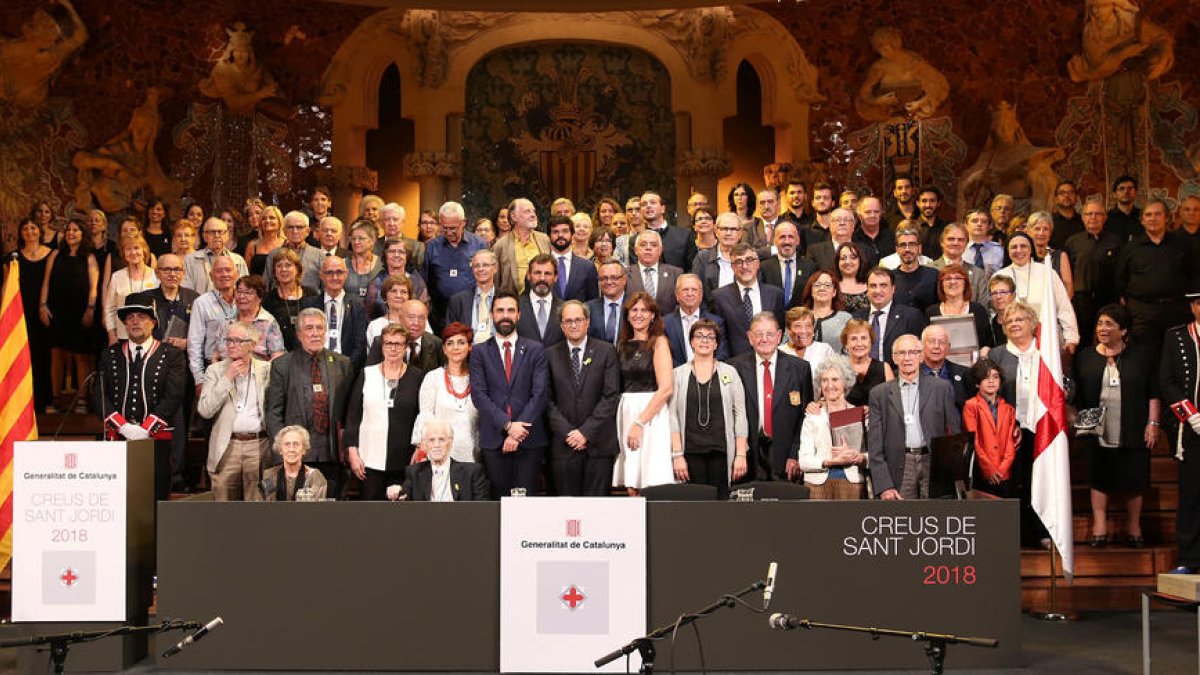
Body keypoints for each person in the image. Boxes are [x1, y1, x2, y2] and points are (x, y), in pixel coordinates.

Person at [1073, 304, 1160, 548]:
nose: (1103, 328)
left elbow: (1153, 392)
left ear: (1123, 330)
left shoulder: (1141, 356)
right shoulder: (1086, 356)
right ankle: (1099, 526)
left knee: (1134, 474)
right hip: (1096, 428)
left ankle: (1133, 525)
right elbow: (1076, 394)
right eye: (1100, 323)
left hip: (1132, 423)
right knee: (1097, 474)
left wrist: (1153, 423)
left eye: (1109, 324)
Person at [98, 300, 186, 501]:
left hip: (158, 440)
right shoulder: (110, 354)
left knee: (156, 497)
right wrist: (123, 427)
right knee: (117, 499)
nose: (135, 322)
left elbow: (174, 394)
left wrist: (146, 429)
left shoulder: (171, 355)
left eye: (141, 317)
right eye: (130, 318)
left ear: (153, 322)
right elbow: (99, 394)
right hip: (118, 438)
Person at [265, 308, 355, 498]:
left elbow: (351, 412)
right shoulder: (282, 365)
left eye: (319, 328)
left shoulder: (342, 364)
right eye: (308, 328)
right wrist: (282, 451)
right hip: (295, 456)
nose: (314, 333)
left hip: (332, 455)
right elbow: (274, 413)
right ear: (299, 334)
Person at [469, 291, 550, 497]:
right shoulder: (479, 352)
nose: (505, 315)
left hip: (529, 439)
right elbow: (479, 395)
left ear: (519, 315)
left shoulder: (535, 349)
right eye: (500, 310)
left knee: (526, 501)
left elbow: (540, 393)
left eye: (511, 310)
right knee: (499, 500)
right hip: (494, 439)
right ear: (492, 315)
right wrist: (507, 425)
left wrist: (518, 429)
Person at [987, 301, 1052, 546]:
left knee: (1040, 482)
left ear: (1032, 323)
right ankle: (1014, 535)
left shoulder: (1046, 351)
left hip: (1042, 429)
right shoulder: (997, 354)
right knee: (1011, 482)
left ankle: (1042, 532)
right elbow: (990, 392)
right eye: (1010, 320)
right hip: (1008, 431)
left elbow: (1066, 385)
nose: (1014, 324)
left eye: (1020, 320)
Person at [867, 334, 961, 499]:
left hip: (933, 464)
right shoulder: (879, 394)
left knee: (935, 519)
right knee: (902, 520)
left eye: (912, 352)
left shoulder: (941, 388)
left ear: (920, 356)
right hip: (899, 465)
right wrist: (884, 485)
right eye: (901, 353)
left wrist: (952, 477)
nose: (907, 358)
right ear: (894, 358)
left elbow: (954, 435)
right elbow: (875, 446)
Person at [545, 301, 621, 496]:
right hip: (563, 447)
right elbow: (546, 400)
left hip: (598, 446)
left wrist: (585, 432)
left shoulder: (606, 352)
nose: (573, 325)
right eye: (568, 321)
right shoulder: (549, 355)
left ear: (587, 322)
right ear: (561, 325)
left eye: (578, 320)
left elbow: (610, 396)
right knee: (565, 513)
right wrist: (569, 433)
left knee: (597, 514)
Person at [669, 319, 748, 498]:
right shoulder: (678, 374)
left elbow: (740, 415)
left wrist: (741, 455)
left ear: (716, 344)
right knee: (694, 509)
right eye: (699, 336)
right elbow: (672, 416)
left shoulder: (730, 372)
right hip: (689, 453)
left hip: (721, 452)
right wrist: (676, 455)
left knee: (720, 508)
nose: (704, 340)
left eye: (710, 337)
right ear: (691, 342)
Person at [730, 312, 813, 481]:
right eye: (758, 334)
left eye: (769, 334)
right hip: (746, 455)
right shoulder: (733, 367)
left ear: (779, 336)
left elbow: (804, 418)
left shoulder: (800, 368)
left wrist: (795, 454)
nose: (764, 339)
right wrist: (738, 453)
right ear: (749, 337)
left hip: (785, 456)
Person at [345, 323, 423, 500]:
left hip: (404, 459)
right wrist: (353, 453)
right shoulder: (367, 374)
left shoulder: (417, 376)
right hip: (369, 459)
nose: (393, 348)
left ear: (405, 347)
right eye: (388, 343)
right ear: (382, 346)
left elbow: (421, 415)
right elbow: (353, 416)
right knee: (372, 514)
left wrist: (420, 449)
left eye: (398, 344)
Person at [196, 320, 271, 501]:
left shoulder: (267, 370)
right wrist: (227, 378)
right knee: (223, 504)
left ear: (252, 345)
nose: (231, 345)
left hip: (259, 444)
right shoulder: (215, 371)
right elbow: (205, 410)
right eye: (228, 340)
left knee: (258, 503)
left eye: (238, 341)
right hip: (227, 444)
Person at [612, 292, 675, 494]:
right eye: (634, 310)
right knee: (631, 479)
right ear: (627, 314)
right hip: (626, 410)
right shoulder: (621, 345)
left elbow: (666, 388)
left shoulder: (659, 342)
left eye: (644, 310)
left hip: (651, 413)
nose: (638, 314)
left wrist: (640, 422)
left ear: (653, 316)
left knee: (650, 477)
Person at [1116, 199, 1196, 348]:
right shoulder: (1131, 248)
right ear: (1142, 220)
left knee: (1177, 356)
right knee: (1144, 357)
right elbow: (1120, 280)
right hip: (1142, 315)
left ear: (1166, 218)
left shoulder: (1182, 244)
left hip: (1176, 311)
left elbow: (1192, 275)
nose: (1153, 218)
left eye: (1158, 214)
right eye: (1148, 215)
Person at [1160, 289, 1200, 573]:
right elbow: (1167, 380)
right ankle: (1189, 558)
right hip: (1192, 429)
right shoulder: (1176, 336)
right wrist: (1192, 415)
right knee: (1191, 494)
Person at [39, 218, 98, 413]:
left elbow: (94, 287)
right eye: (69, 230)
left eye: (76, 230)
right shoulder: (55, 254)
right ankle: (55, 399)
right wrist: (43, 305)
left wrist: (90, 308)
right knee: (57, 355)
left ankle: (82, 399)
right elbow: (46, 282)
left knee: (80, 357)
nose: (71, 233)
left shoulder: (88, 257)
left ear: (83, 234)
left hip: (80, 312)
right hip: (57, 311)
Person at [993, 232, 1080, 352]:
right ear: (1007, 251)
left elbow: (1064, 307)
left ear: (1031, 249)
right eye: (1014, 247)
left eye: (1023, 246)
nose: (1019, 250)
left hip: (1046, 339)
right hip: (1013, 339)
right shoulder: (1000, 275)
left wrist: (1071, 338)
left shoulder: (1047, 272)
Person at [797, 356, 868, 498]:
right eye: (824, 380)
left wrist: (857, 457)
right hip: (817, 486)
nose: (829, 385)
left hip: (853, 485)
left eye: (835, 379)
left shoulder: (861, 414)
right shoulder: (812, 416)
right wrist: (830, 462)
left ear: (845, 383)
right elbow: (803, 460)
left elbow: (873, 456)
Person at [412, 323, 478, 465]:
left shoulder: (479, 378)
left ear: (470, 346)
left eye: (461, 342)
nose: (455, 348)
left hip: (473, 454)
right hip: (439, 453)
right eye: (450, 343)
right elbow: (426, 415)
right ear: (444, 349)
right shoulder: (433, 378)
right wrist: (421, 447)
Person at [1065, 196, 1124, 346]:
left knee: (1108, 340)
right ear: (1083, 217)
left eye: (1098, 214)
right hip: (1081, 302)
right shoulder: (1073, 242)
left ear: (1105, 217)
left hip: (1108, 300)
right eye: (1089, 214)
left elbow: (1121, 272)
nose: (1093, 217)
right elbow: (1067, 273)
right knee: (1082, 341)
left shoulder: (1116, 242)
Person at [8, 217, 52, 411]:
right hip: (21, 313)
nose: (29, 231)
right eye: (25, 228)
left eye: (33, 227)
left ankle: (45, 400)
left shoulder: (52, 254)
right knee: (25, 357)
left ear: (39, 231)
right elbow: (7, 287)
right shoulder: (13, 257)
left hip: (45, 311)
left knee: (45, 357)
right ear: (21, 233)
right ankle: (25, 402)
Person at [710, 243, 785, 357]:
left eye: (749, 260)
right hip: (734, 364)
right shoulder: (719, 297)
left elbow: (780, 329)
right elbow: (719, 336)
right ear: (732, 267)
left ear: (758, 263)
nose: (744, 266)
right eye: (738, 262)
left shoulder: (775, 294)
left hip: (769, 361)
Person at [390, 419, 490, 501]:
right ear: (424, 445)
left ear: (450, 442)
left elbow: (482, 510)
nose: (437, 445)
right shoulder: (414, 472)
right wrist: (397, 491)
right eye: (431, 440)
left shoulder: (472, 473)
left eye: (442, 439)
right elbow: (404, 495)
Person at [424, 201, 487, 329]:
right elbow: (426, 280)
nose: (448, 232)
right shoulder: (432, 246)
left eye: (453, 228)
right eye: (444, 228)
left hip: (472, 310)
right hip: (440, 313)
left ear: (463, 223)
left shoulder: (479, 245)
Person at [961, 357, 1018, 497]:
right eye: (986, 378)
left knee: (1004, 510)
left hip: (1004, 472)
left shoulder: (1009, 409)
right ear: (977, 383)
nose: (991, 381)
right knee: (984, 512)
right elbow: (974, 440)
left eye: (995, 377)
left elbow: (1011, 444)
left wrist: (1003, 468)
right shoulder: (971, 406)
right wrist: (989, 469)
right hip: (981, 471)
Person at [301, 256, 367, 370]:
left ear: (346, 274)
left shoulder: (358, 305)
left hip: (347, 369)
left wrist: (347, 368)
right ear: (321, 275)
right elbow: (302, 340)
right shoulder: (308, 305)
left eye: (339, 272)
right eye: (329, 272)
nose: (334, 277)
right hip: (315, 368)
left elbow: (360, 344)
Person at [208, 275, 286, 363]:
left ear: (259, 298)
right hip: (226, 372)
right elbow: (216, 353)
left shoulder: (268, 322)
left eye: (248, 293)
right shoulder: (228, 320)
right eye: (239, 291)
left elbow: (277, 356)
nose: (241, 296)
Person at [862, 266, 927, 365]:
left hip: (898, 376)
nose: (878, 291)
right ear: (867, 289)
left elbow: (920, 354)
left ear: (893, 289)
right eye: (873, 286)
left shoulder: (911, 316)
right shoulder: (856, 318)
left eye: (883, 285)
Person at [260, 248, 319, 352]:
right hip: (279, 353)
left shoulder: (312, 295)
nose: (283, 269)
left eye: (288, 265)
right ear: (274, 272)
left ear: (297, 269)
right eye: (279, 266)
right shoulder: (267, 299)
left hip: (309, 351)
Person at [662, 274, 728, 366]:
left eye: (694, 290)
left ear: (701, 295)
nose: (690, 293)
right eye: (685, 290)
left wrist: (703, 370)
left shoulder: (717, 322)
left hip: (709, 375)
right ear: (677, 295)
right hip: (675, 376)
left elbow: (721, 354)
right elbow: (663, 357)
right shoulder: (665, 323)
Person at [104, 234, 159, 344]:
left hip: (151, 337)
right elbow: (109, 308)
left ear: (144, 251)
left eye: (136, 248)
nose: (133, 253)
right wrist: (111, 335)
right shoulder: (117, 276)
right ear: (123, 254)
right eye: (128, 249)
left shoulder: (156, 276)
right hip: (123, 336)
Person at [925, 264, 993, 351]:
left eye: (958, 278)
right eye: (948, 279)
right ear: (941, 284)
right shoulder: (931, 312)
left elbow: (988, 342)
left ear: (965, 283)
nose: (953, 282)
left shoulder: (978, 310)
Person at [492, 198, 550, 295]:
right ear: (514, 216)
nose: (533, 215)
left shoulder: (545, 240)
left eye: (534, 211)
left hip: (541, 300)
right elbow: (495, 280)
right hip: (513, 303)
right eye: (527, 211)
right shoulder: (500, 246)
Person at [365, 237, 429, 318]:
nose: (396, 255)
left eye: (401, 252)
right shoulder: (376, 283)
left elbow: (423, 312)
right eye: (392, 251)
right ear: (385, 255)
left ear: (407, 256)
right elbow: (369, 314)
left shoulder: (417, 283)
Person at [260, 426, 328, 501]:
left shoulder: (315, 476)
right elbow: (266, 504)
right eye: (287, 444)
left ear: (304, 450)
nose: (291, 449)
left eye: (296, 444)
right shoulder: (269, 475)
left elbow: (317, 508)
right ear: (280, 450)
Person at [182, 217, 249, 294]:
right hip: (200, 305)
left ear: (227, 235)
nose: (217, 235)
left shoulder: (238, 260)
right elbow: (186, 291)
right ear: (204, 236)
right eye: (212, 232)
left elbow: (244, 289)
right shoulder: (190, 260)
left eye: (220, 232)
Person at [761, 222, 817, 310]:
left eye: (791, 237)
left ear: (797, 240)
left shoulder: (810, 266)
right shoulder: (764, 267)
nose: (787, 241)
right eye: (782, 237)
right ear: (774, 241)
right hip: (773, 320)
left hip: (800, 320)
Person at [637, 191, 697, 272]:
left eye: (652, 202)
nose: (648, 206)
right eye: (644, 204)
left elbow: (693, 269)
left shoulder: (685, 235)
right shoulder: (636, 239)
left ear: (663, 209)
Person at [919, 324, 976, 409]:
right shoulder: (912, 375)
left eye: (942, 342)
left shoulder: (965, 374)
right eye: (931, 341)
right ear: (922, 345)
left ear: (948, 347)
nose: (936, 346)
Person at [446, 249, 497, 343]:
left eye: (485, 265)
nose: (480, 269)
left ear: (495, 268)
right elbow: (450, 335)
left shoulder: (506, 299)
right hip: (469, 353)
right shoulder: (457, 301)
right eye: (476, 266)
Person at [625, 228, 681, 314]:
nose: (648, 248)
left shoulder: (675, 274)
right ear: (636, 250)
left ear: (660, 250)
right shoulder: (624, 274)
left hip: (666, 325)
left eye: (653, 245)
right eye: (643, 245)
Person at [691, 211, 742, 304]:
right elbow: (696, 292)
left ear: (740, 233)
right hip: (711, 315)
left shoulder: (748, 259)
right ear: (716, 231)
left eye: (733, 229)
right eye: (724, 229)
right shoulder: (703, 258)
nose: (728, 233)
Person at [265, 211, 324, 291]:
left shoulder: (319, 255)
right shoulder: (274, 254)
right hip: (280, 301)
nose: (295, 231)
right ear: (284, 231)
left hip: (311, 302)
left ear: (307, 231)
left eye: (299, 227)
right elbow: (265, 284)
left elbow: (325, 286)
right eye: (290, 227)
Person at [546, 215, 599, 303]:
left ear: (572, 234)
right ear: (549, 236)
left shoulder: (587, 267)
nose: (560, 235)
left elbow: (593, 302)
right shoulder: (539, 265)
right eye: (555, 232)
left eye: (565, 231)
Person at [841, 318, 893, 406]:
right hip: (845, 418)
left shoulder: (884, 368)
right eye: (853, 339)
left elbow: (892, 402)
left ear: (871, 342)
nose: (859, 344)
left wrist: (874, 410)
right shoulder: (838, 368)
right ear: (846, 344)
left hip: (877, 418)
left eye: (864, 338)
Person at [516, 254, 565, 346]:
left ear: (555, 277)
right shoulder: (515, 306)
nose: (542, 278)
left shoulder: (565, 308)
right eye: (537, 273)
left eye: (547, 273)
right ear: (528, 275)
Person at [890, 228, 940, 311]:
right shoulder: (890, 278)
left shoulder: (934, 276)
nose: (907, 249)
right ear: (897, 250)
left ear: (919, 248)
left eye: (912, 244)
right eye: (903, 245)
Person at [803, 269, 852, 350]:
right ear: (811, 291)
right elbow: (786, 347)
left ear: (834, 292)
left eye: (827, 285)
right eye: (817, 285)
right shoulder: (798, 317)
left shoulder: (846, 319)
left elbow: (850, 351)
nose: (822, 288)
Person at [1027, 211, 1074, 296]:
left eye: (1046, 229)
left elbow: (1069, 288)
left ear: (1050, 233)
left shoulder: (1061, 256)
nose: (1041, 233)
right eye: (1037, 229)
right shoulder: (1023, 256)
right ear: (1029, 232)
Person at [781, 307, 836, 377]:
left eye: (808, 326)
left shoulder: (824, 349)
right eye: (798, 326)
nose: (803, 331)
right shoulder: (780, 352)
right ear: (788, 330)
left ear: (813, 329)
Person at [587, 260, 627, 345]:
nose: (608, 282)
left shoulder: (635, 307)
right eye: (603, 278)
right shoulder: (588, 308)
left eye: (614, 278)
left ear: (624, 279)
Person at [243, 205, 284, 278]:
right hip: (257, 288)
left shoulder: (287, 244)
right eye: (264, 218)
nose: (267, 221)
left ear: (279, 222)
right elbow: (246, 274)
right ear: (260, 223)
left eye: (272, 218)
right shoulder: (252, 246)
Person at [852, 196, 893, 267]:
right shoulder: (853, 239)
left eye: (876, 212)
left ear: (881, 213)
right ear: (859, 214)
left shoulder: (892, 237)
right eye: (868, 212)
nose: (872, 215)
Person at [832, 242, 870, 315]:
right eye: (843, 258)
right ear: (837, 262)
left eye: (853, 258)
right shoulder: (831, 286)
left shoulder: (870, 284)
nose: (848, 262)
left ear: (860, 260)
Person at [965, 209, 1005, 276]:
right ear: (966, 225)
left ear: (989, 226)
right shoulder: (959, 250)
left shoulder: (999, 250)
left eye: (984, 222)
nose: (979, 224)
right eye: (974, 221)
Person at [1050, 180, 1085, 248]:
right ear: (1056, 199)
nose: (1066, 195)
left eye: (1071, 192)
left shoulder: (1084, 221)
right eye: (1062, 193)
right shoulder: (1049, 222)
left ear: (1076, 197)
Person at [1107, 175, 1141, 241]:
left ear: (1135, 193)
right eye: (1121, 189)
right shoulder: (1106, 218)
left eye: (1130, 188)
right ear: (1115, 194)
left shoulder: (1143, 216)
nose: (1126, 192)